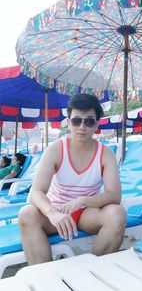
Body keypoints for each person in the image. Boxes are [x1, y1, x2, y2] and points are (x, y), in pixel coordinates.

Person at [19, 94, 126, 265]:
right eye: (77, 121)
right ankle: (45, 280)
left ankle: (94, 273)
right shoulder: (56, 149)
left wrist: (82, 201)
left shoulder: (105, 154)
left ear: (97, 125)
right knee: (26, 214)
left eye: (89, 121)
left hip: (86, 213)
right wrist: (52, 213)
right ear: (68, 122)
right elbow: (36, 192)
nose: (82, 126)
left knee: (116, 214)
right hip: (57, 211)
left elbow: (114, 196)